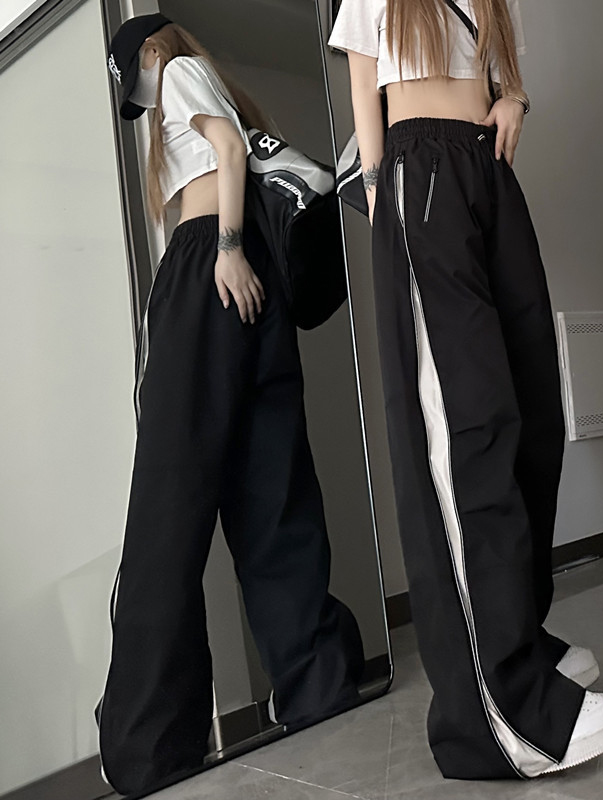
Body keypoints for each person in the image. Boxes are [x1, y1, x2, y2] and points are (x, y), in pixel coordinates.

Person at [329, 0, 603, 779]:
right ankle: (499, 709)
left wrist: (514, 97)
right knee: (466, 428)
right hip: (417, 169)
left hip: (486, 170)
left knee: (532, 416)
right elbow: (364, 78)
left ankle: (519, 635)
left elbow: (500, 69)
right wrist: (382, 198)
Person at [97, 14, 364, 796]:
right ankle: (316, 682)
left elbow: (228, 152)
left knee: (168, 500)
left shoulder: (178, 70)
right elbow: (236, 148)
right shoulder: (215, 89)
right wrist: (239, 252)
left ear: (152, 51)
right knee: (271, 486)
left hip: (208, 269)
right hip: (254, 285)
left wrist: (224, 247)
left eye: (138, 81)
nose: (146, 99)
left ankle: (148, 741)